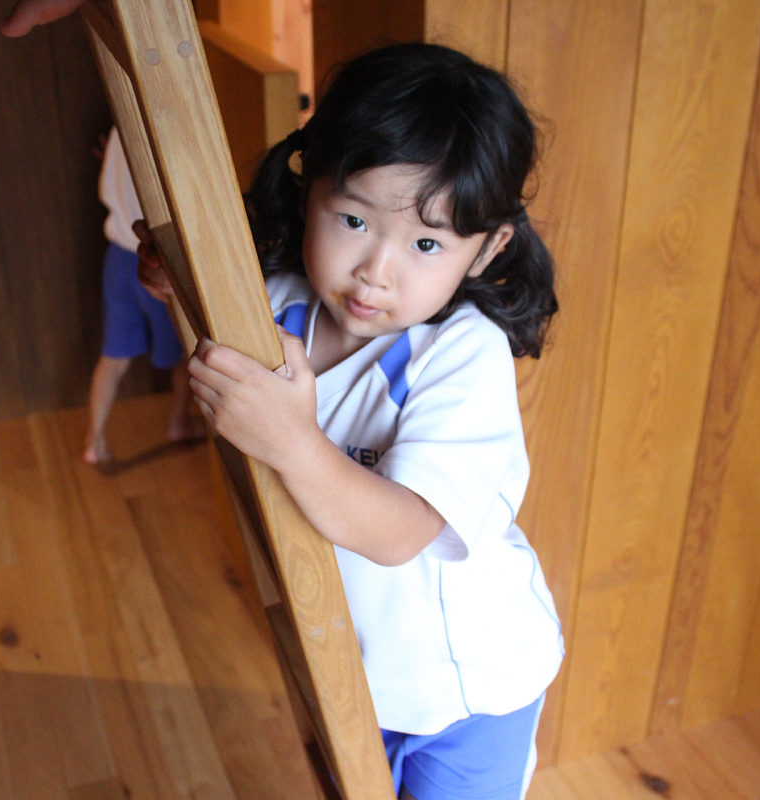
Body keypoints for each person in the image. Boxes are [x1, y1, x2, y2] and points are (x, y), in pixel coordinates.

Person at [140, 44, 563, 800]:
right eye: (354, 219)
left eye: (426, 243)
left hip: (466, 690)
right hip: (353, 669)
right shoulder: (273, 304)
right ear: (310, 189)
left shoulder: (460, 353)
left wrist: (293, 443)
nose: (376, 270)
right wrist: (173, 276)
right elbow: (212, 336)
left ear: (487, 249)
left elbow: (402, 533)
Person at [83, 128, 203, 464]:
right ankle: (178, 423)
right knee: (184, 354)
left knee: (113, 356)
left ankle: (95, 441)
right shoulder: (166, 131)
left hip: (117, 258)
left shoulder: (119, 130)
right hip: (153, 260)